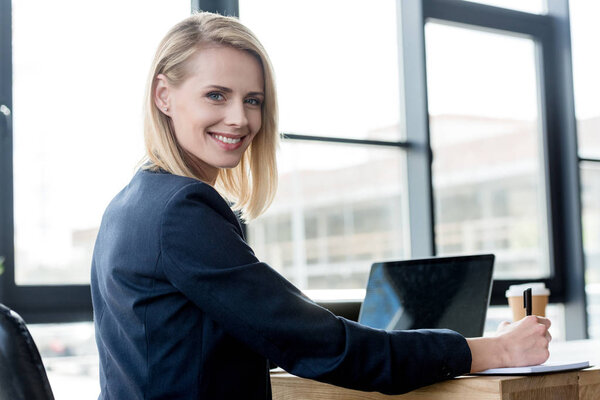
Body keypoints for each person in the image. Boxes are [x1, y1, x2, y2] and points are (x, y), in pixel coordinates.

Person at [90, 12, 552, 399]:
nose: (240, 118)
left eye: (253, 100)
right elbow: (323, 346)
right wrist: (491, 351)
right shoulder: (181, 210)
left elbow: (204, 339)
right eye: (216, 95)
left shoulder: (131, 204)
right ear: (163, 96)